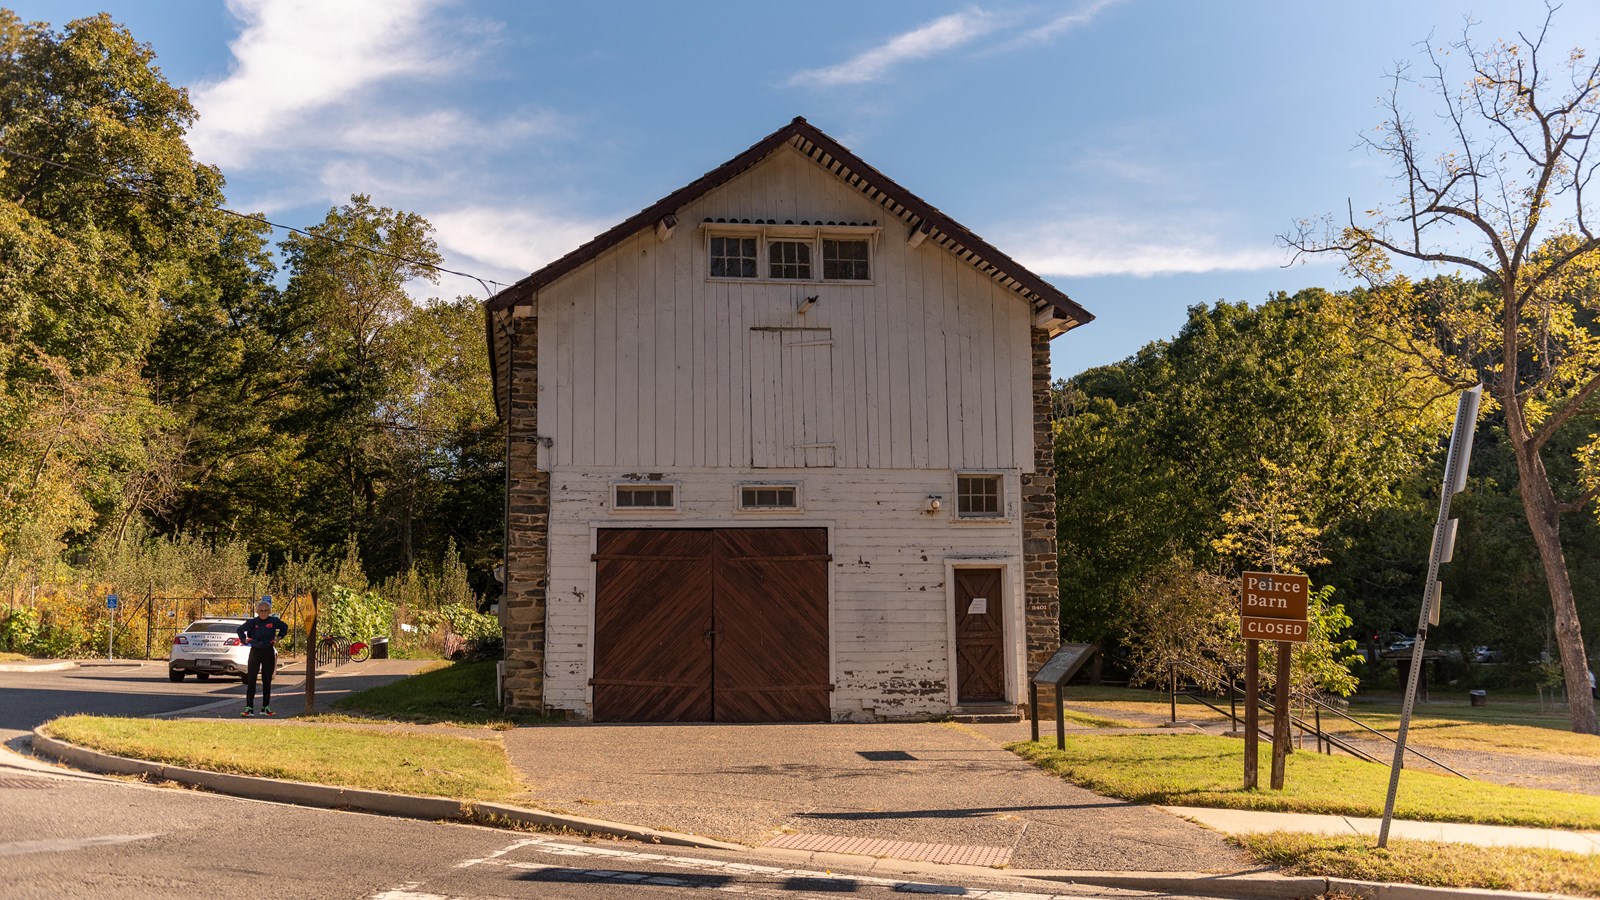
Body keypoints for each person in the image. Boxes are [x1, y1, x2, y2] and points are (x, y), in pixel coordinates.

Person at [236, 598, 288, 716]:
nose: (263, 613)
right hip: (255, 652)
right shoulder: (253, 622)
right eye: (261, 611)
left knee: (267, 680)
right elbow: (240, 630)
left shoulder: (273, 621)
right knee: (252, 680)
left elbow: (285, 627)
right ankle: (249, 707)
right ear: (257, 612)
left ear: (269, 611)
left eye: (265, 610)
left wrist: (279, 637)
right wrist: (244, 641)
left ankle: (265, 707)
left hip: (268, 651)